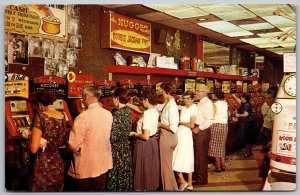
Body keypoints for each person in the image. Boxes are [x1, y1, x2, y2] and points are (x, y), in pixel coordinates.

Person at [67, 85, 113, 191]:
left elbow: (73, 146)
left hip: (85, 166)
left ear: (86, 97)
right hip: (103, 162)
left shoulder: (82, 117)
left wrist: (78, 155)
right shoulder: (108, 114)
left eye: (83, 98)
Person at [29, 89, 67, 191]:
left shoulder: (40, 117)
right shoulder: (62, 116)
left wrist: (29, 135)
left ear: (40, 104)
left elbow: (33, 148)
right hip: (57, 162)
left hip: (42, 164)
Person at [129, 89, 160, 191]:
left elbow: (145, 135)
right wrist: (128, 104)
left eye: (143, 100)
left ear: (146, 100)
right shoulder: (154, 111)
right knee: (150, 170)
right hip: (152, 143)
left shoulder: (147, 114)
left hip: (144, 144)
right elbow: (140, 110)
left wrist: (134, 134)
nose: (142, 102)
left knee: (142, 170)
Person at [106, 87, 133, 191]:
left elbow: (113, 136)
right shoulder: (128, 111)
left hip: (116, 151)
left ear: (117, 98)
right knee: (124, 176)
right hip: (125, 148)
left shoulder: (117, 114)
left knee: (116, 177)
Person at [173, 90, 197, 191]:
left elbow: (192, 125)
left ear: (192, 99)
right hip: (180, 134)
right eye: (185, 98)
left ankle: (186, 182)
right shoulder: (183, 108)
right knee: (180, 157)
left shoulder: (193, 108)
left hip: (186, 135)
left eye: (188, 98)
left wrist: (181, 122)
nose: (185, 100)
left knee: (184, 158)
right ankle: (186, 182)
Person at [158, 82, 179, 191]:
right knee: (167, 167)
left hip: (168, 137)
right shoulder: (169, 103)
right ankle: (172, 188)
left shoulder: (172, 106)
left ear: (167, 92)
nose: (162, 93)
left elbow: (174, 127)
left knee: (166, 168)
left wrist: (160, 124)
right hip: (169, 137)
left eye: (162, 91)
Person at [191, 85, 214, 185]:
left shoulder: (207, 103)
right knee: (197, 155)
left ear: (205, 92)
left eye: (198, 91)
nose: (197, 92)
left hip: (202, 131)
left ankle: (202, 179)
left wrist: (198, 128)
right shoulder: (201, 102)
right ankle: (197, 176)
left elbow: (210, 120)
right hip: (199, 130)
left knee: (201, 156)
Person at [208, 91, 228, 172]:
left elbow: (211, 115)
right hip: (224, 126)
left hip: (216, 125)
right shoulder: (225, 103)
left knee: (215, 146)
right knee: (222, 146)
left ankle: (218, 167)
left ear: (216, 96)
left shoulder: (215, 104)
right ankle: (223, 165)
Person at [232, 93, 253, 157]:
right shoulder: (245, 103)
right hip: (245, 122)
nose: (240, 98)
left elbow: (246, 114)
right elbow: (238, 100)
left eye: (241, 97)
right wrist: (233, 96)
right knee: (246, 138)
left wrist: (238, 115)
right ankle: (248, 151)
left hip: (246, 123)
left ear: (244, 98)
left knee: (247, 138)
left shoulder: (246, 105)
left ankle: (248, 152)